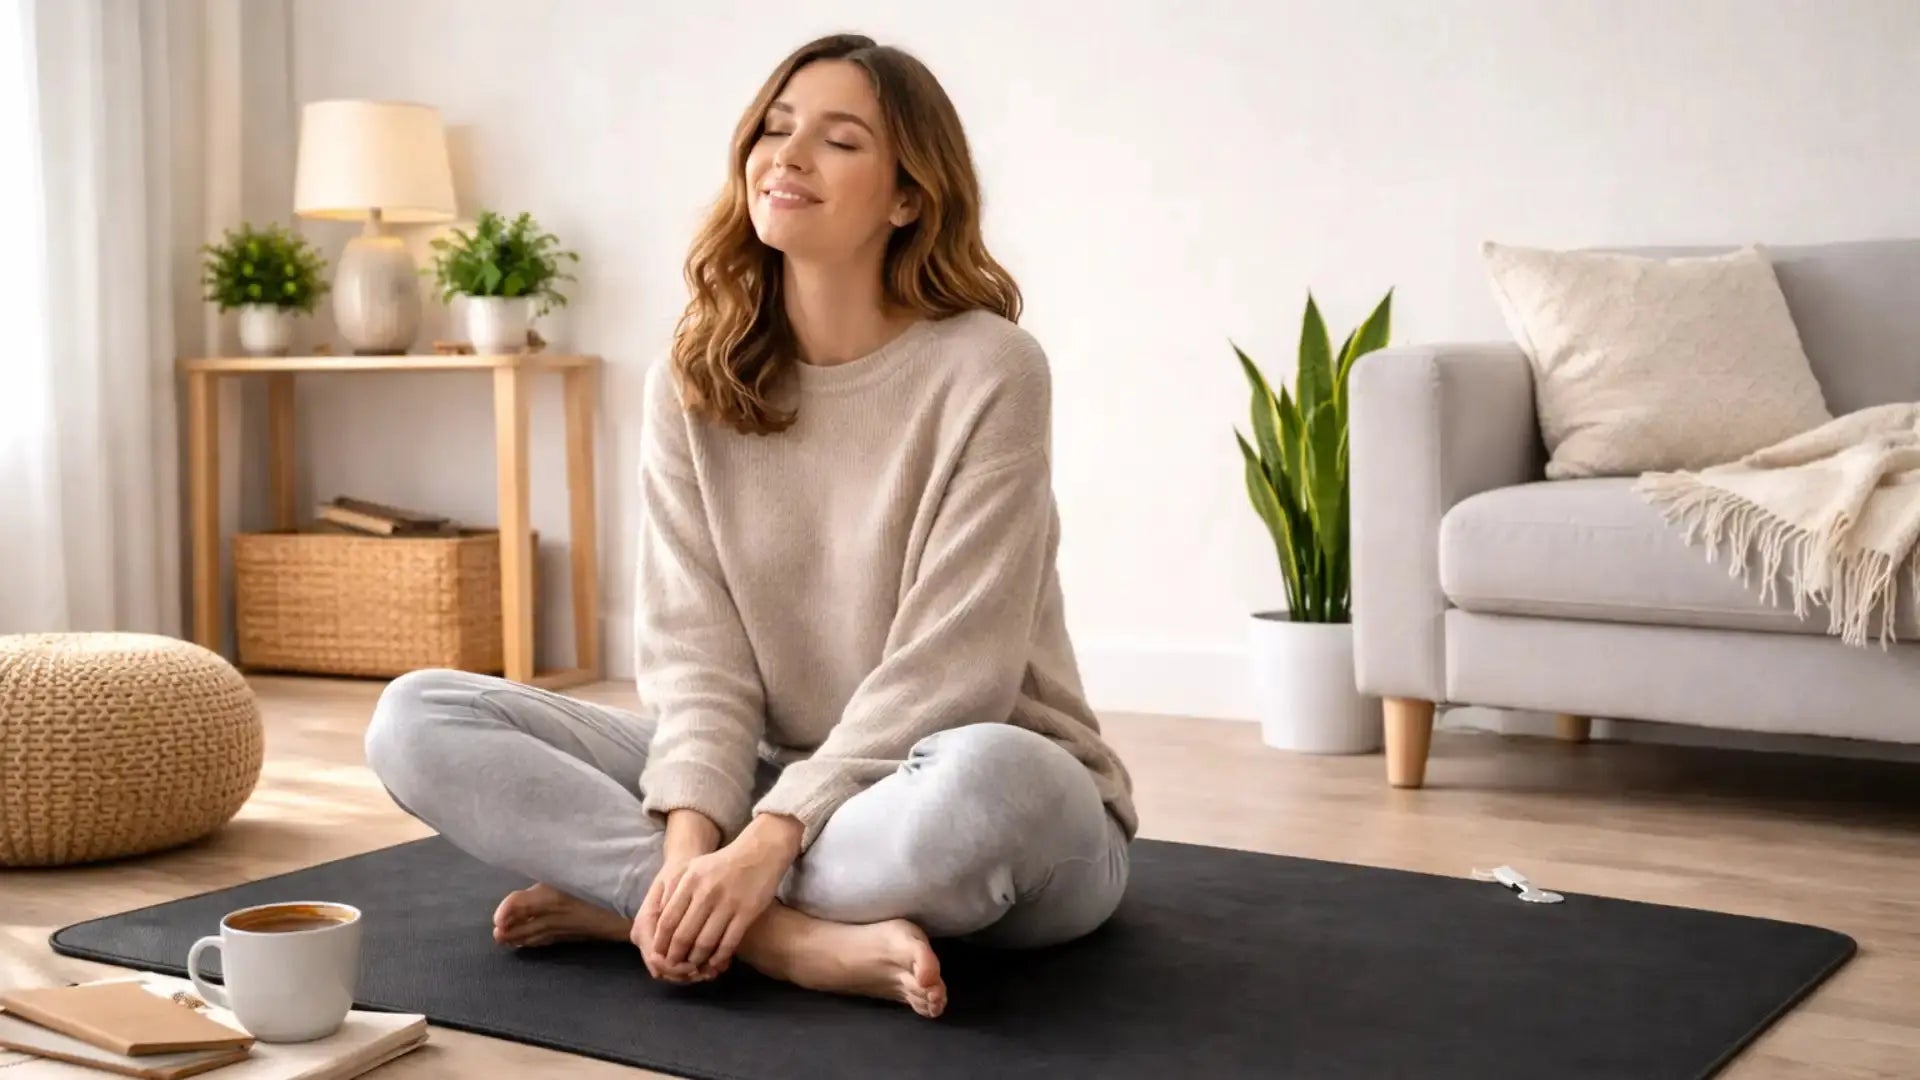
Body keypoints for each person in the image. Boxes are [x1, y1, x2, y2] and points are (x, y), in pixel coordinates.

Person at [362, 32, 1137, 1019]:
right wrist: (694, 846)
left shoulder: (991, 368)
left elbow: (955, 674)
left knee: (991, 786)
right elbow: (699, 662)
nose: (789, 155)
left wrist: (768, 840)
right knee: (419, 717)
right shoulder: (694, 378)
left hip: (963, 793)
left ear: (908, 197)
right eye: (775, 128)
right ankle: (770, 938)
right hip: (771, 783)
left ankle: (643, 906)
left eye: (839, 140)